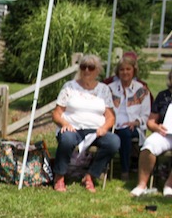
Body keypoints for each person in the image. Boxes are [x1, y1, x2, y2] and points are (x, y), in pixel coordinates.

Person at [51, 54, 120, 193]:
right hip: (73, 128)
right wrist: (64, 123)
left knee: (113, 142)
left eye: (91, 67)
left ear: (97, 70)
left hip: (95, 130)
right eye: (83, 67)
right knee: (67, 139)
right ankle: (59, 176)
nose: (87, 70)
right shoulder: (69, 87)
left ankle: (90, 175)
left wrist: (104, 127)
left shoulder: (104, 89)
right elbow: (56, 113)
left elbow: (111, 116)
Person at [129, 68, 172, 198]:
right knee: (149, 145)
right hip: (165, 133)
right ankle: (142, 185)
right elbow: (150, 122)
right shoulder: (163, 96)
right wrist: (157, 127)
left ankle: (169, 185)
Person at [107, 54, 151, 180]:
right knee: (108, 134)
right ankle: (104, 167)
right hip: (112, 125)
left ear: (133, 71)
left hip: (133, 126)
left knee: (125, 133)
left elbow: (146, 115)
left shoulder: (142, 90)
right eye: (122, 69)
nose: (125, 72)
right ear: (118, 72)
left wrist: (136, 122)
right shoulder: (110, 89)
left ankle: (124, 170)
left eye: (128, 69)